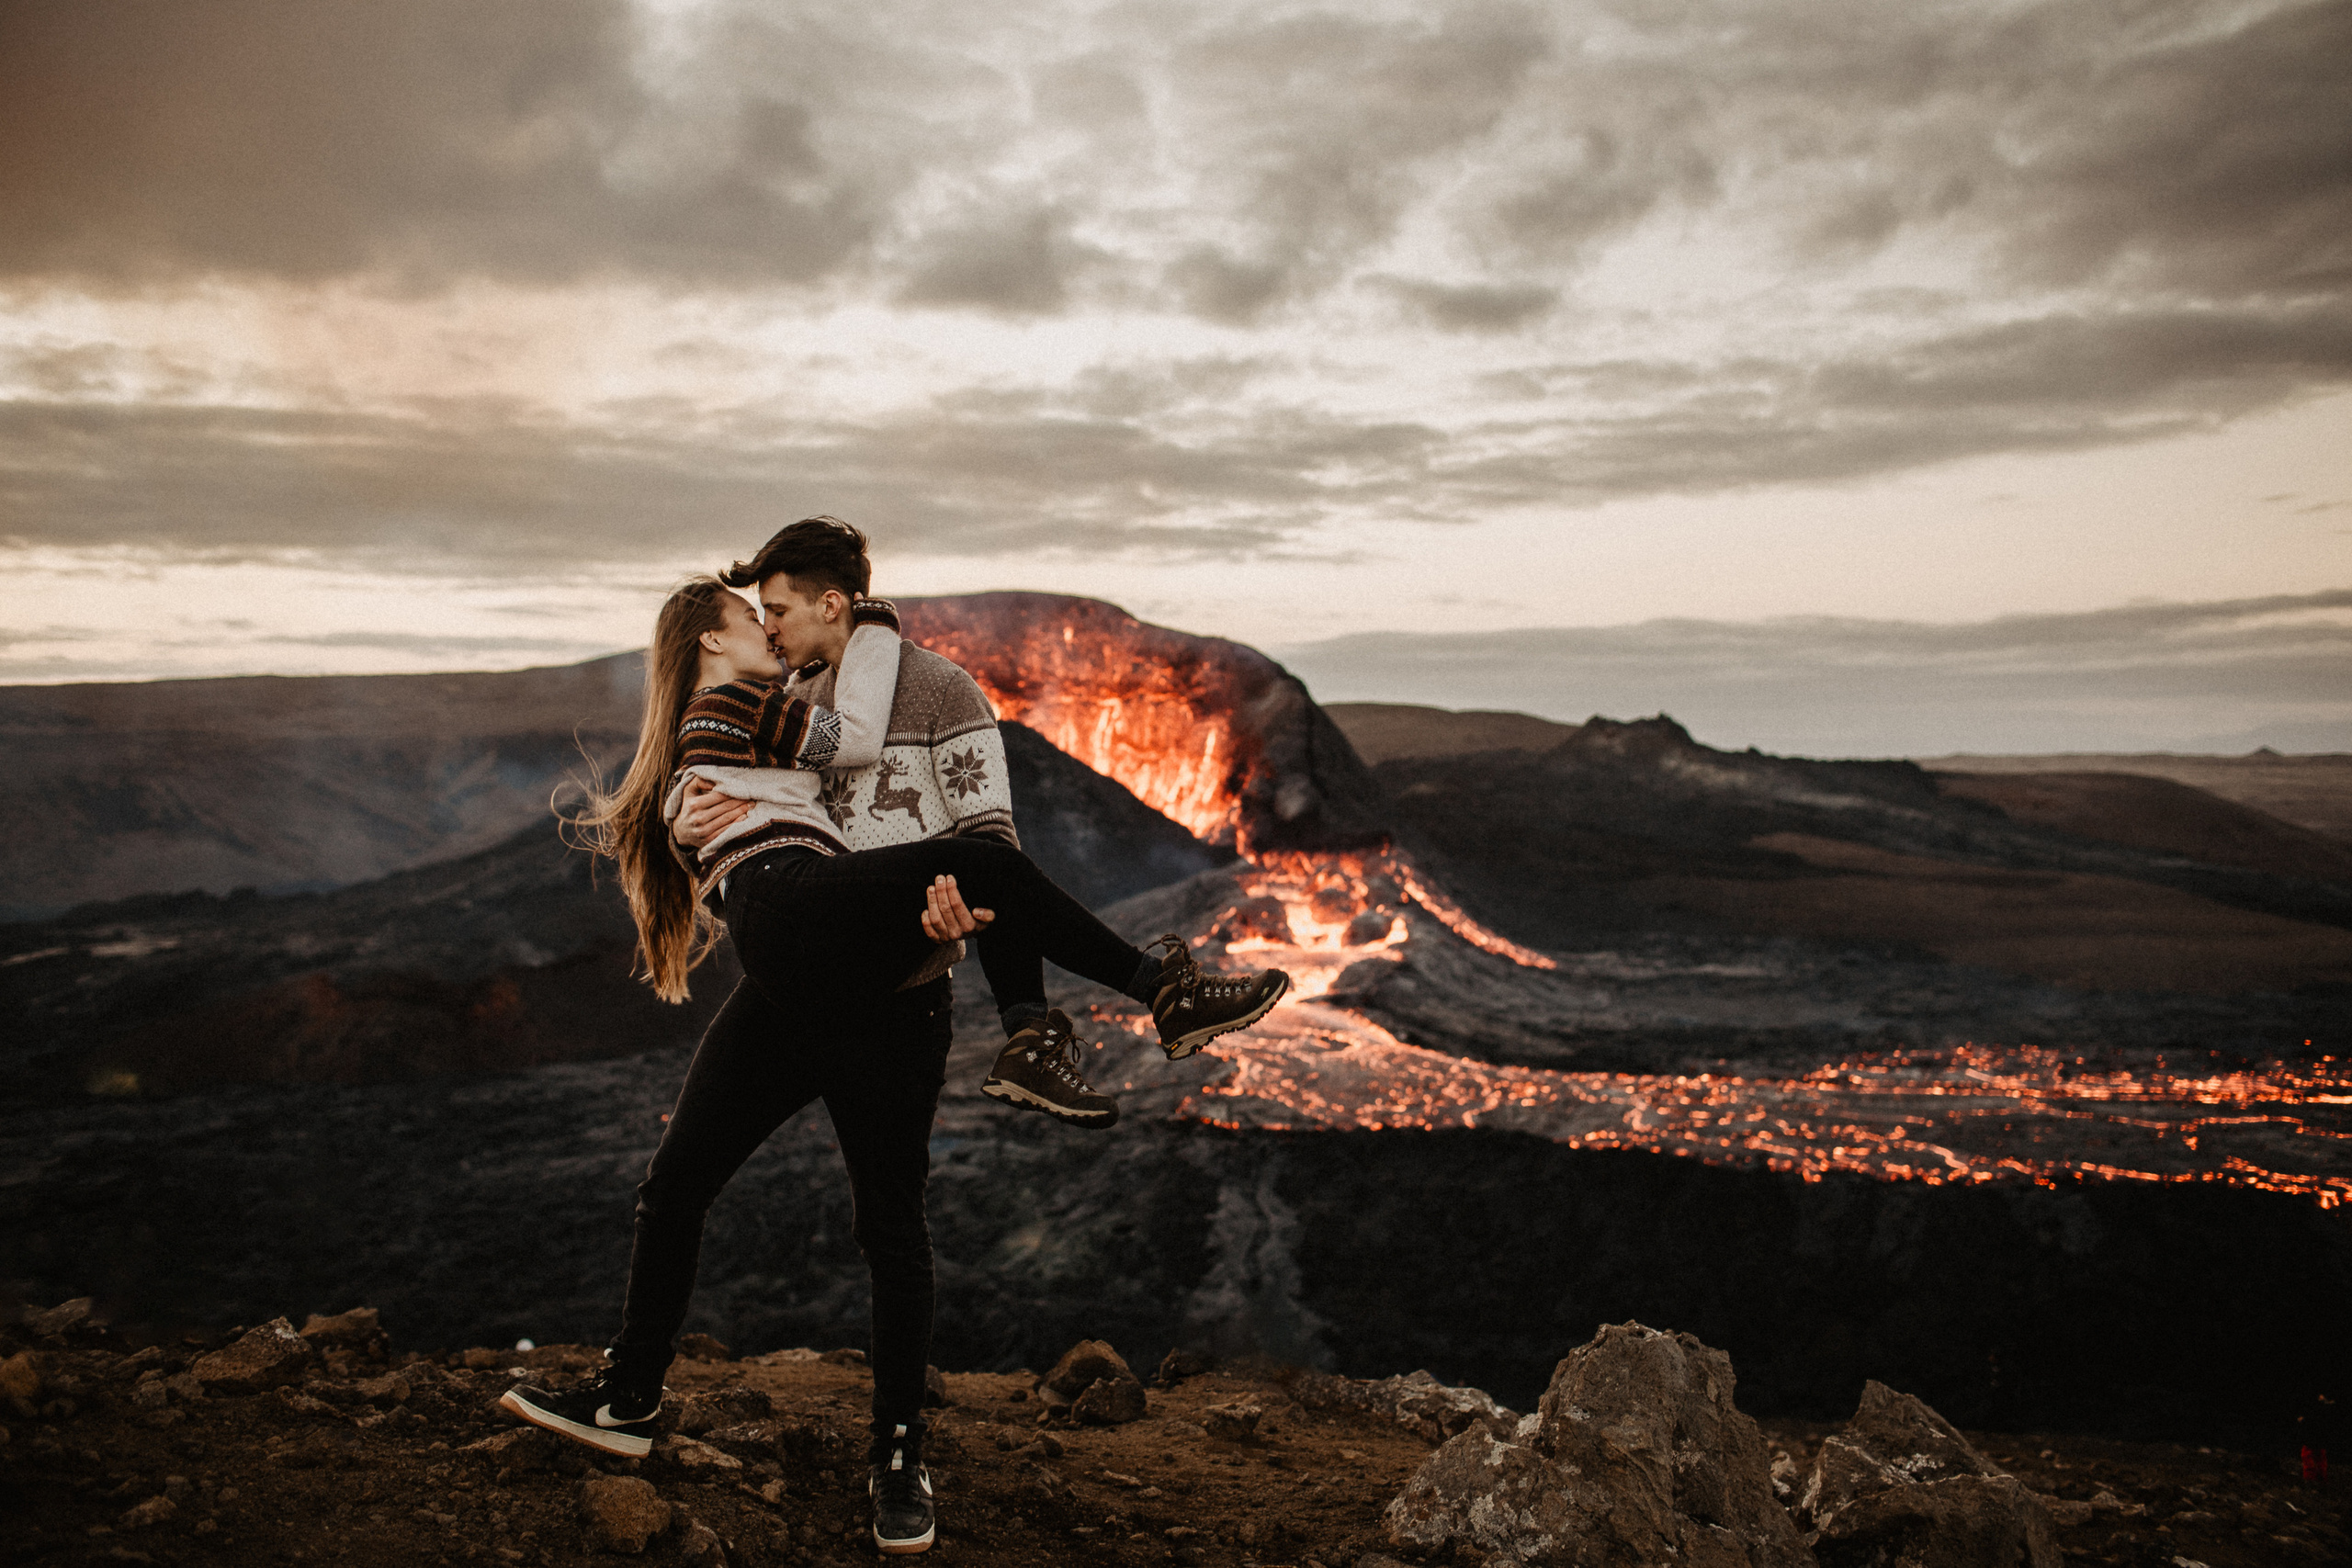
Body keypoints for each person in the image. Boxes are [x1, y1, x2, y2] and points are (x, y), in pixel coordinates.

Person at [500, 518, 1288, 1556]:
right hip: (792, 964)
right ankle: (1153, 994)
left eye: (778, 608)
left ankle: (895, 1450)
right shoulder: (766, 703)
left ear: (834, 603)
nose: (770, 629)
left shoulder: (920, 692)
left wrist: (933, 910)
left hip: (886, 990)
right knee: (681, 1181)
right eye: (754, 617)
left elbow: (954, 829)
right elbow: (802, 778)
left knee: (888, 1226)